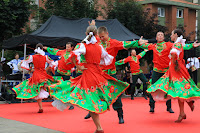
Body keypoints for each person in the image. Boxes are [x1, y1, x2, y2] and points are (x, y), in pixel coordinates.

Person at [48, 25, 129, 133]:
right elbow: (107, 59)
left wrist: (78, 66)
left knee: (87, 97)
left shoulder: (83, 46)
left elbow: (72, 54)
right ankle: (100, 124)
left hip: (88, 74)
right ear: (97, 35)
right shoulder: (100, 47)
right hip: (98, 74)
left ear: (86, 34)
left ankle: (99, 127)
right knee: (97, 96)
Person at [84, 21, 147, 124]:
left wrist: (137, 43)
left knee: (115, 94)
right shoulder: (97, 42)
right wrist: (92, 26)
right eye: (100, 37)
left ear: (107, 34)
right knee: (94, 92)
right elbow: (89, 37)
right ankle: (92, 111)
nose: (101, 38)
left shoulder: (113, 43)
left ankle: (120, 114)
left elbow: (124, 44)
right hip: (99, 73)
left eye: (103, 36)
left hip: (111, 73)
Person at [147, 29, 200, 122]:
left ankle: (183, 109)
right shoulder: (157, 46)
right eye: (158, 35)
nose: (170, 36)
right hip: (170, 69)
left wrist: (174, 61)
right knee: (176, 89)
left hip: (175, 70)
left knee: (177, 89)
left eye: (171, 34)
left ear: (175, 35)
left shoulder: (174, 44)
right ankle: (183, 110)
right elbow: (181, 48)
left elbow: (176, 52)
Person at [12, 44, 62, 113]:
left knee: (37, 91)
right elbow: (52, 64)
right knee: (48, 85)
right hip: (43, 74)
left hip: (36, 74)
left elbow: (24, 62)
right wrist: (49, 69)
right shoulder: (46, 57)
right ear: (42, 49)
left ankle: (41, 107)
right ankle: (52, 92)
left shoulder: (32, 57)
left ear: (36, 48)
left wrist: (29, 69)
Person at [44, 42, 75, 110]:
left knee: (68, 88)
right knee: (53, 81)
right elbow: (55, 50)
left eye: (68, 47)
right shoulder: (62, 52)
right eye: (66, 47)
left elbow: (76, 62)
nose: (67, 48)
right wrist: (47, 48)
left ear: (72, 47)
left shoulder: (74, 54)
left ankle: (71, 104)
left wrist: (72, 63)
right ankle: (53, 94)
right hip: (59, 71)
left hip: (66, 73)